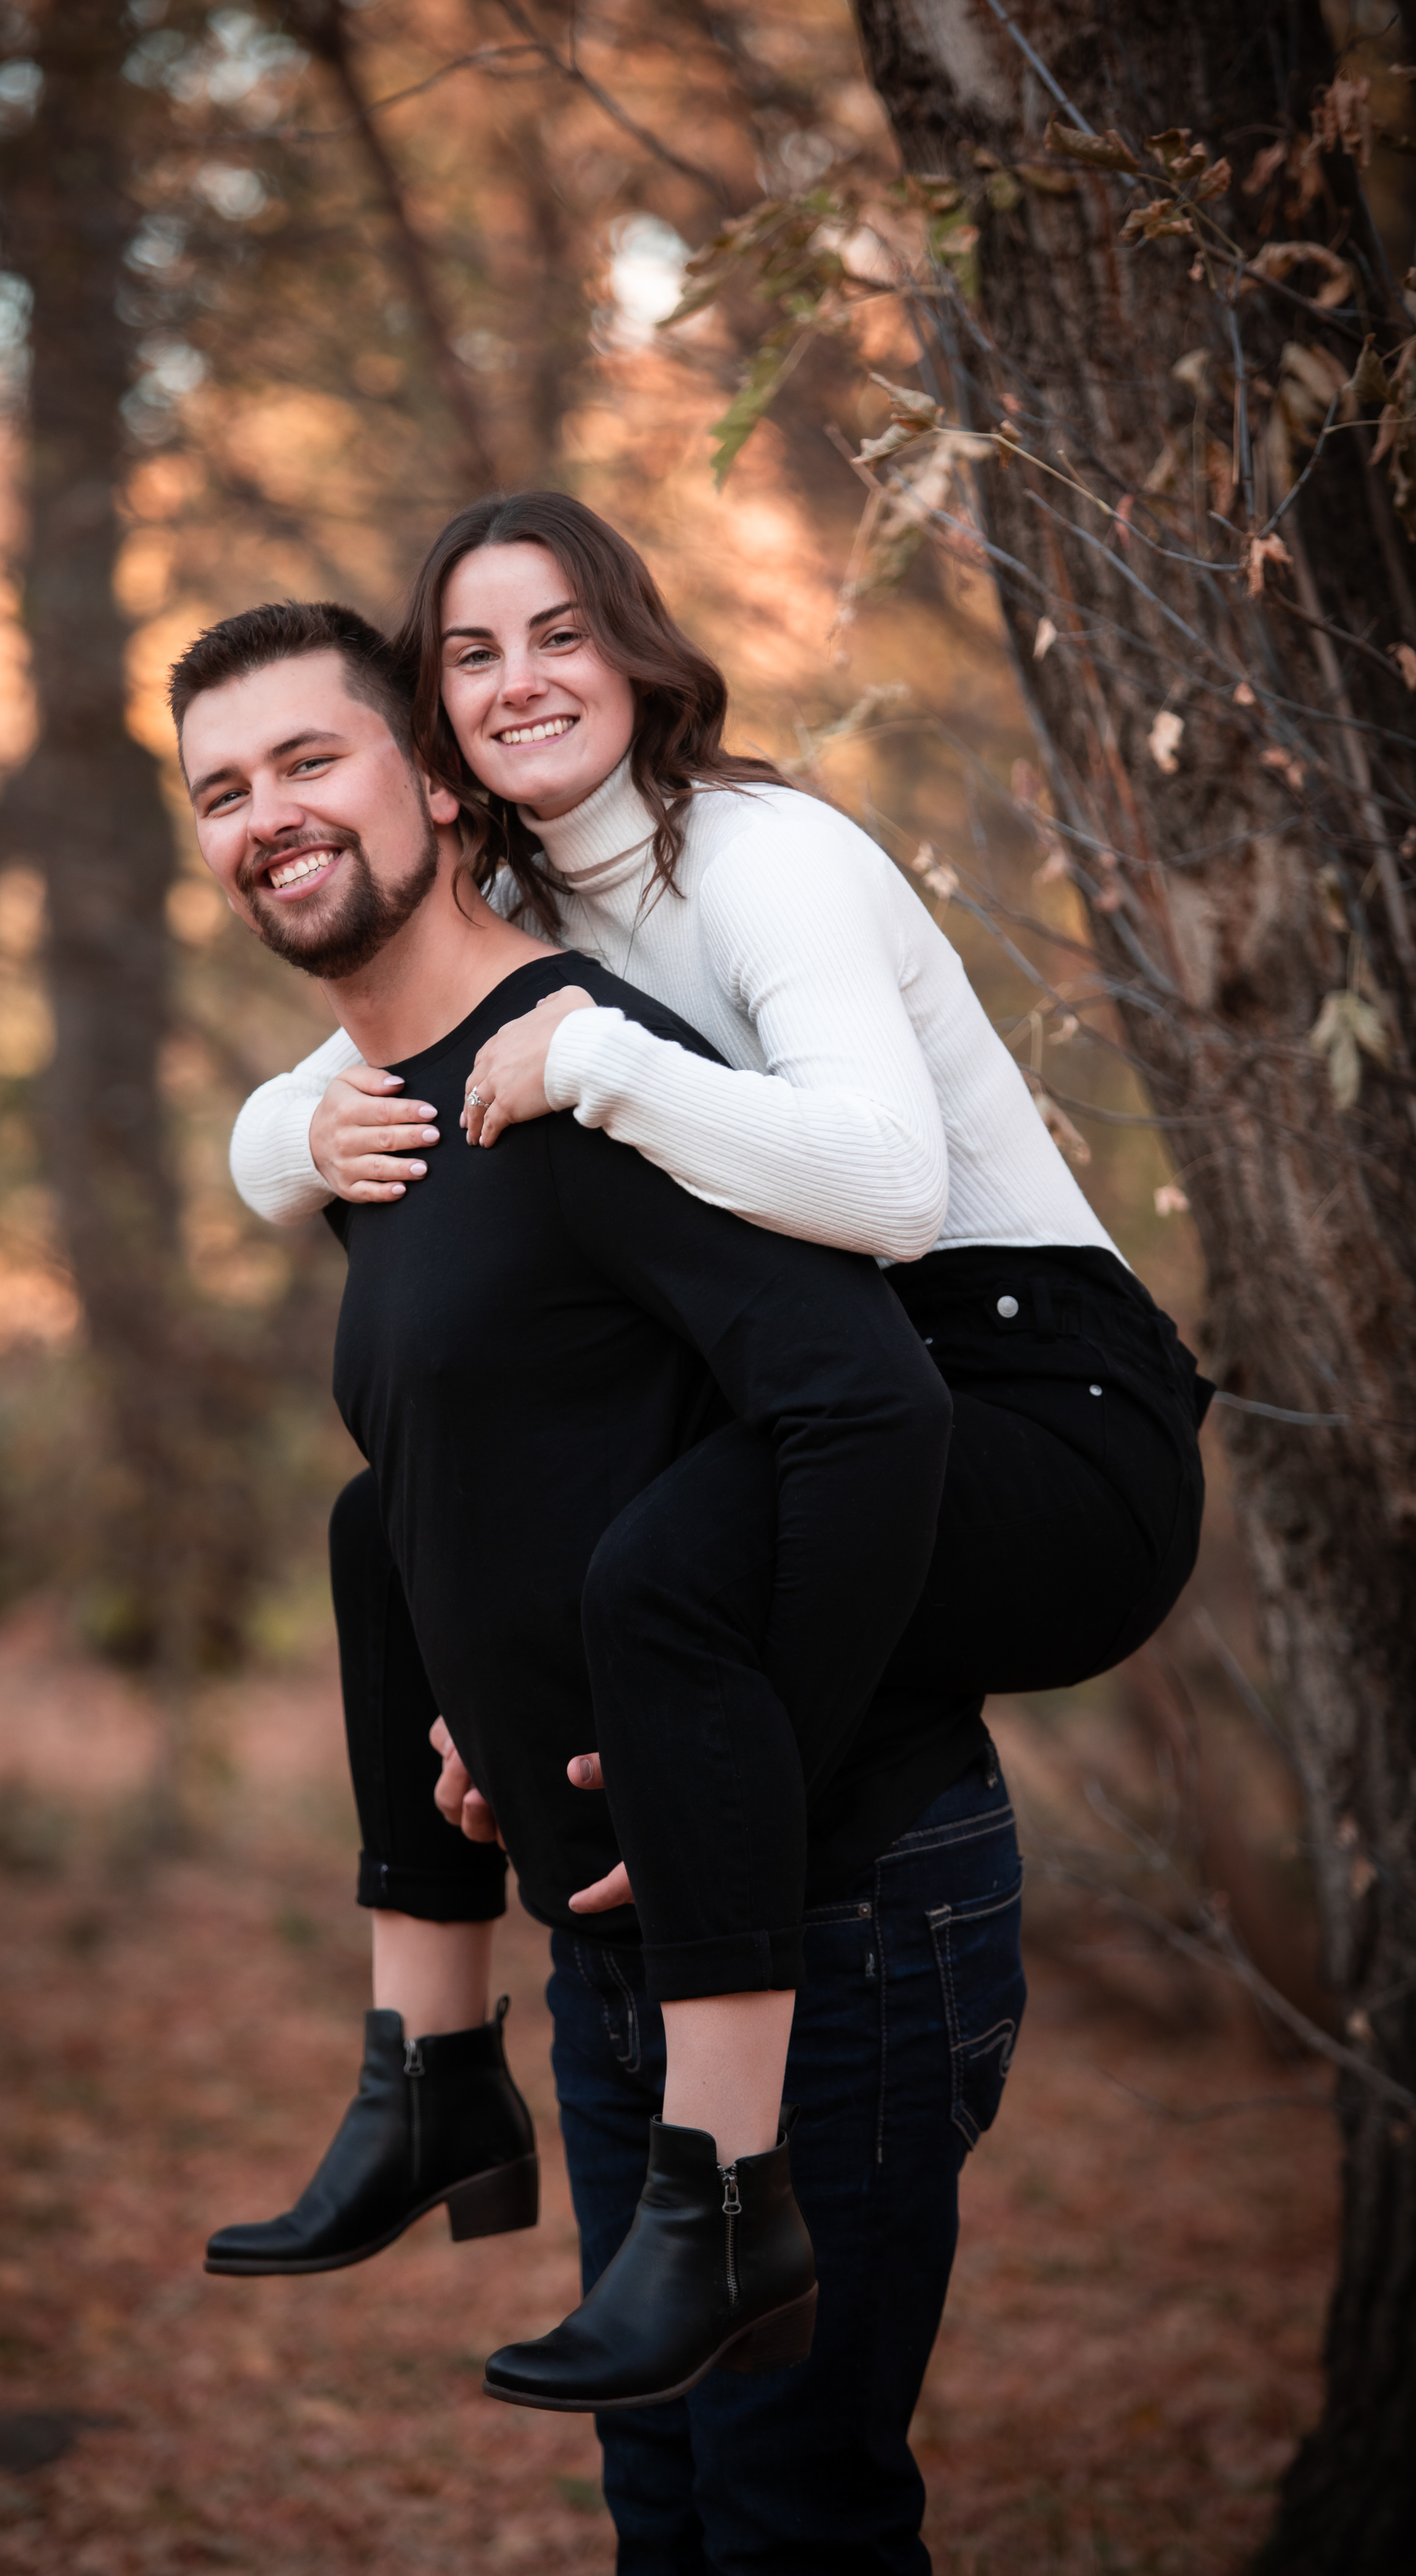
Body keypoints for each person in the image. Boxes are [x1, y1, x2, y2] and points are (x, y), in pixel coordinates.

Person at [218, 497, 1210, 2571]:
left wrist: (597, 1070)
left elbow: (888, 1191)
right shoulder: (502, 895)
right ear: (437, 724)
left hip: (1032, 1397)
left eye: (559, 632)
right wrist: (280, 1138)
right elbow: (347, 1032)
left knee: (670, 1583)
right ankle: (434, 2067)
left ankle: (727, 2140)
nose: (519, 682)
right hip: (851, 1395)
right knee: (388, 1519)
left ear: (640, 649)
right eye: (471, 657)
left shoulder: (759, 856)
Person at [174, 600, 958, 2431]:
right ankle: (432, 2071)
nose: (263, 815)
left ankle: (632, 2164)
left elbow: (866, 1408)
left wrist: (757, 1761)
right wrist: (508, 1704)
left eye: (309, 760)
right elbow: (530, 1464)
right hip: (625, 1931)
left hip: (819, 1914)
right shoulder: (383, 1122)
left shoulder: (582, 1072)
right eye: (221, 790)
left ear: (441, 792)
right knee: (672, 2516)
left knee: (787, 2531)